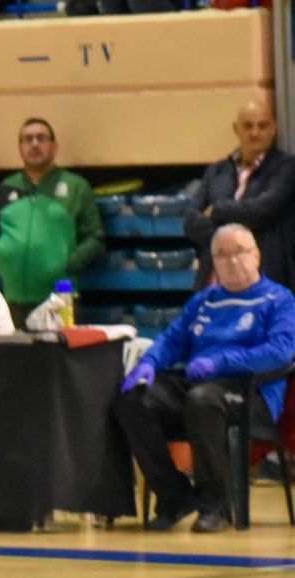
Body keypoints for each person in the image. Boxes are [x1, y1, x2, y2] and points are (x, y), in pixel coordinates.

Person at [113, 224, 295, 533]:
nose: (232, 260)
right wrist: (150, 362)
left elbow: (280, 352)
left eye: (239, 252)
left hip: (251, 392)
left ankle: (216, 505)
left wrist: (222, 362)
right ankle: (174, 496)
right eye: (222, 255)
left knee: (202, 402)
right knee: (132, 401)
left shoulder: (279, 299)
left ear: (256, 256)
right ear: (213, 262)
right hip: (198, 384)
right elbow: (172, 339)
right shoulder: (205, 301)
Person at [0, 117, 104, 326]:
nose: (34, 144)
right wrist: (0, 257)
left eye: (41, 138)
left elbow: (95, 237)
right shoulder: (6, 187)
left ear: (54, 146)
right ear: (20, 148)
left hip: (60, 298)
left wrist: (65, 265)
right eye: (28, 139)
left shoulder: (76, 186)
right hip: (12, 299)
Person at [183, 100, 295, 291]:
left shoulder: (286, 168)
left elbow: (261, 211)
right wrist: (237, 236)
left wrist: (217, 211)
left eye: (262, 126)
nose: (255, 133)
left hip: (263, 283)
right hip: (212, 283)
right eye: (248, 126)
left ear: (273, 129)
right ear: (236, 129)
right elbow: (191, 221)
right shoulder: (217, 170)